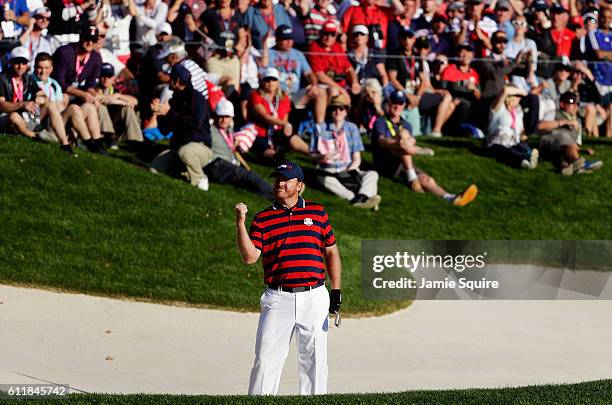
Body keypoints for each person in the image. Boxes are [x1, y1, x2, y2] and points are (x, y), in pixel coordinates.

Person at [235, 161, 342, 395]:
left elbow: (331, 250)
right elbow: (250, 257)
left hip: (314, 295)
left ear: (299, 186)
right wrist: (240, 224)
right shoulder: (263, 218)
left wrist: (336, 290)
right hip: (277, 297)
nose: (279, 183)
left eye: (286, 180)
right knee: (265, 360)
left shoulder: (317, 212)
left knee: (314, 363)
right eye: (277, 179)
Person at [372, 90, 478, 206]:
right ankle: (412, 177)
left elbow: (410, 142)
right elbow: (382, 141)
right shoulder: (381, 122)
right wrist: (400, 144)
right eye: (395, 103)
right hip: (385, 162)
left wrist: (405, 144)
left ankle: (451, 198)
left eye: (401, 103)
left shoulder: (406, 124)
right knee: (403, 136)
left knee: (427, 179)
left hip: (402, 161)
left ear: (404, 105)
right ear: (389, 103)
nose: (397, 106)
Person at [310, 94, 381, 209]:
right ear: (330, 111)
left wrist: (350, 169)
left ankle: (362, 197)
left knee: (373, 174)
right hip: (329, 170)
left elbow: (357, 157)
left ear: (346, 111)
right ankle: (357, 198)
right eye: (334, 108)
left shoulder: (352, 128)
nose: (337, 111)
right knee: (325, 180)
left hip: (348, 169)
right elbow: (311, 156)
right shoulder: (319, 129)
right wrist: (320, 157)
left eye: (341, 108)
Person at [149, 65, 213, 190]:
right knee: (154, 168)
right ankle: (185, 175)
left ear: (177, 81)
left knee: (186, 152)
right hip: (179, 149)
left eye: (171, 78)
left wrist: (169, 113)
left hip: (200, 148)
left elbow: (195, 123)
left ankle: (200, 178)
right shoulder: (174, 100)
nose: (168, 80)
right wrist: (159, 113)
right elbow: (165, 130)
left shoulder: (196, 97)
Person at [0, 46, 72, 153]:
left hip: (25, 118)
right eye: (17, 62)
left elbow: (41, 93)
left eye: (23, 63)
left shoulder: (27, 78)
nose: (20, 66)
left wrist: (41, 98)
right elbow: (1, 105)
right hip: (6, 117)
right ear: (11, 62)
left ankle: (65, 144)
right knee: (14, 116)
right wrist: (21, 104)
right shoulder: (2, 78)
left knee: (50, 104)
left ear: (27, 64)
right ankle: (34, 136)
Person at [52, 25, 107, 154]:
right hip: (57, 94)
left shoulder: (96, 58)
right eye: (87, 39)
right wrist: (83, 94)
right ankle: (85, 141)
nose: (89, 43)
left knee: (90, 106)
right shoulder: (65, 52)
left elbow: (90, 85)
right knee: (65, 98)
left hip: (75, 94)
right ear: (80, 37)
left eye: (93, 40)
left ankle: (97, 141)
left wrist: (95, 96)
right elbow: (59, 83)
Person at [206, 99, 273, 199]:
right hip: (217, 165)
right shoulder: (209, 130)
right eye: (221, 116)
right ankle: (279, 194)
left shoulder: (228, 129)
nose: (224, 120)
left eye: (227, 117)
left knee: (249, 178)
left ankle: (272, 195)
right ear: (215, 115)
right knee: (248, 177)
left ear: (231, 118)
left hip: (228, 164)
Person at [266, 25, 326, 124]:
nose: (289, 42)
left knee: (320, 91)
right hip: (278, 96)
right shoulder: (269, 54)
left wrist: (314, 85)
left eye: (291, 39)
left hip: (296, 95)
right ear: (277, 39)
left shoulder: (298, 54)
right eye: (285, 39)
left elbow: (309, 74)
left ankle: (320, 128)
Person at [538, 91, 603, 175]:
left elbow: (573, 145)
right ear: (562, 104)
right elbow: (540, 126)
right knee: (562, 135)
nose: (575, 106)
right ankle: (581, 163)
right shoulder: (554, 113)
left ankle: (568, 168)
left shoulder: (577, 122)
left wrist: (582, 150)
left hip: (559, 149)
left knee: (563, 157)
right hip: (547, 142)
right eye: (572, 102)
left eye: (577, 103)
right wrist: (563, 122)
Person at [487, 86, 539, 169]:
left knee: (521, 148)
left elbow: (521, 131)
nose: (520, 99)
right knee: (505, 151)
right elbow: (505, 90)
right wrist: (523, 91)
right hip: (496, 144)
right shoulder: (498, 109)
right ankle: (522, 161)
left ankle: (527, 157)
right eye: (517, 96)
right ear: (510, 97)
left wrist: (523, 136)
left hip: (513, 143)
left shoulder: (518, 111)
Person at [96, 63, 144, 148]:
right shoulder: (95, 88)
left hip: (116, 123)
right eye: (103, 76)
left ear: (113, 78)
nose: (106, 79)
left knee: (127, 109)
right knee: (101, 107)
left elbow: (135, 101)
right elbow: (100, 98)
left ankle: (136, 141)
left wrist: (118, 96)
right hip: (100, 126)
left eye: (109, 76)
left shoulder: (117, 89)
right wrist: (120, 101)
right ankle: (109, 136)